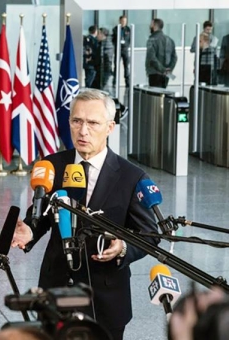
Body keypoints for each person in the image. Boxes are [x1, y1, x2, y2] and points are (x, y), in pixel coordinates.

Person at [11, 89, 160, 340]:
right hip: (56, 291)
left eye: (93, 123)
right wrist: (29, 230)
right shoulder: (52, 166)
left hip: (106, 299)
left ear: (110, 127)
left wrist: (123, 247)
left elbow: (150, 234)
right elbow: (42, 217)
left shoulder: (131, 177)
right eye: (77, 121)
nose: (83, 131)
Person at [146, 18, 177, 88]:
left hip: (154, 73)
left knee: (155, 96)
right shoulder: (170, 40)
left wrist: (163, 69)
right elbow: (174, 57)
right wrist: (169, 69)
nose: (150, 26)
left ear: (154, 26)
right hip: (166, 75)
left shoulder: (152, 40)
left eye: (151, 24)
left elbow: (151, 58)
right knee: (163, 94)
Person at [190, 21, 218, 85]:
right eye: (207, 29)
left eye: (210, 29)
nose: (209, 31)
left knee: (209, 82)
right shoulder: (197, 37)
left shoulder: (213, 38)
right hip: (200, 63)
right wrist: (200, 47)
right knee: (199, 80)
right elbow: (192, 49)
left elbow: (214, 50)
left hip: (210, 63)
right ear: (204, 29)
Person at [111, 15, 131, 87]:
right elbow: (113, 39)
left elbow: (130, 39)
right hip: (118, 49)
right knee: (116, 66)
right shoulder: (115, 29)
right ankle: (115, 82)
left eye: (125, 21)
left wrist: (127, 45)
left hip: (125, 50)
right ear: (120, 21)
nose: (124, 23)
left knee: (126, 66)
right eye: (122, 21)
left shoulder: (128, 29)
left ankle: (127, 83)